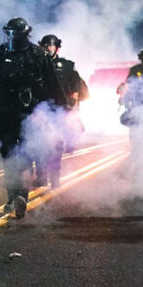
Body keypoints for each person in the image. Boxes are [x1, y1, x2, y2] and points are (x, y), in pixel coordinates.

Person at [0, 18, 57, 219]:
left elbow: (53, 86)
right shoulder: (0, 54)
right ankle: (13, 196)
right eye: (10, 34)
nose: (13, 38)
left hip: (30, 114)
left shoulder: (38, 54)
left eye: (16, 35)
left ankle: (20, 196)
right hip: (5, 112)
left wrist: (55, 113)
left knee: (25, 154)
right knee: (9, 154)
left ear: (26, 35)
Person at [34, 34, 89, 188]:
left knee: (56, 145)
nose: (48, 49)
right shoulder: (36, 64)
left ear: (57, 47)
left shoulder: (67, 65)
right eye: (46, 46)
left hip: (60, 110)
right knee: (38, 143)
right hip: (41, 109)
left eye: (51, 46)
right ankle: (41, 176)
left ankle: (55, 178)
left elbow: (77, 83)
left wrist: (74, 97)